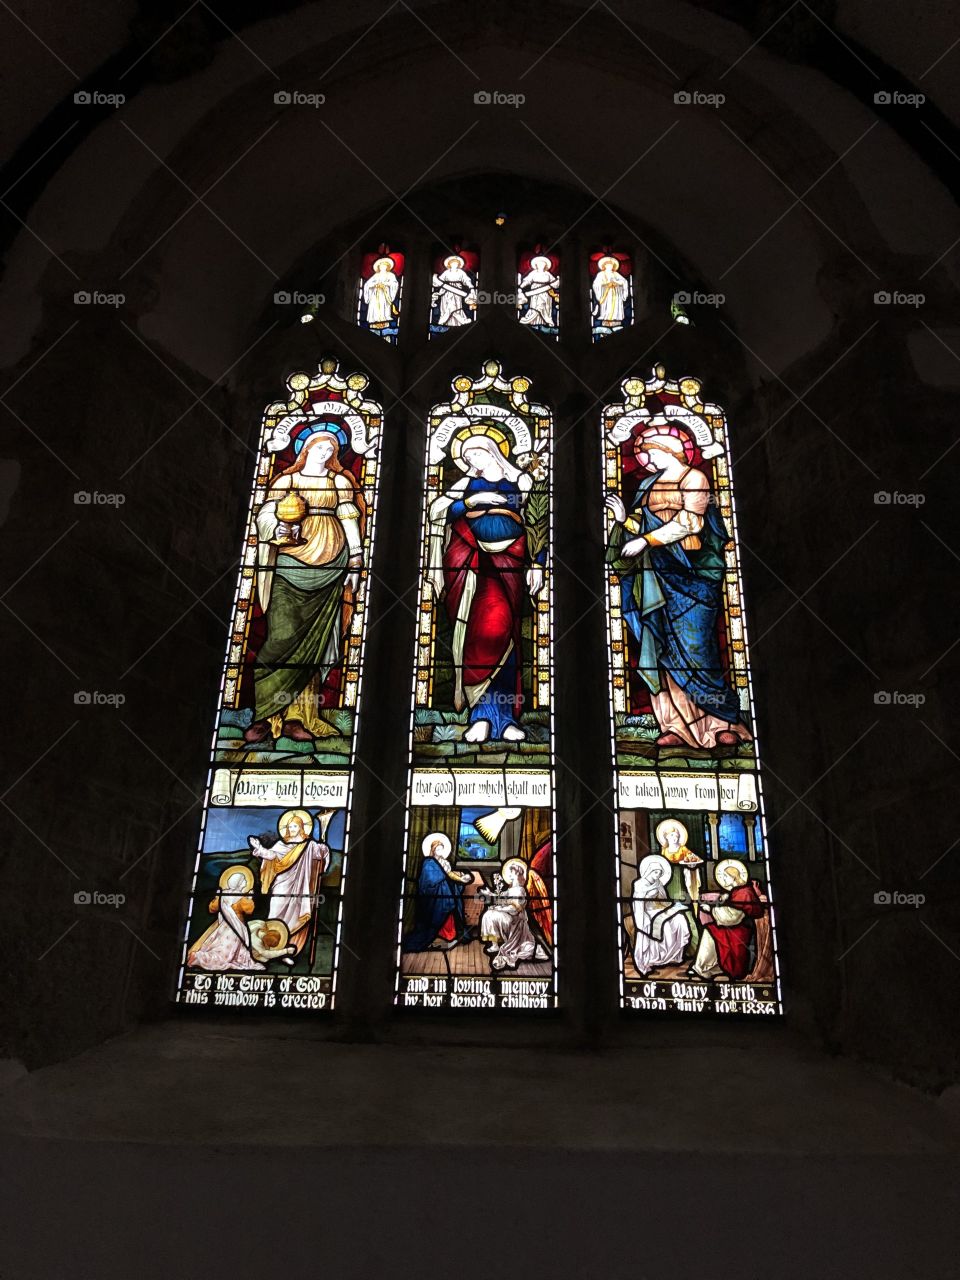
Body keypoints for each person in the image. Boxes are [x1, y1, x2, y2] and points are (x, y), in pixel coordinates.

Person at [606, 426, 752, 750]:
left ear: (669, 450)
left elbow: (691, 523)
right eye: (643, 454)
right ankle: (675, 725)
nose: (645, 459)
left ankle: (722, 722)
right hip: (655, 573)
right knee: (660, 645)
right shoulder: (647, 485)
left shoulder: (694, 479)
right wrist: (623, 521)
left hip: (692, 572)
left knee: (697, 647)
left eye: (651, 452)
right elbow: (642, 523)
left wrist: (645, 539)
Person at [245, 430, 365, 745]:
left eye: (331, 448)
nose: (325, 451)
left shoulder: (340, 483)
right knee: (281, 638)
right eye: (319, 446)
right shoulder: (287, 481)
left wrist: (355, 556)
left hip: (332, 564)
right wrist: (279, 528)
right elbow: (265, 515)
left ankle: (298, 718)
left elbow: (349, 517)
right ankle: (267, 717)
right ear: (306, 449)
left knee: (317, 643)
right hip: (290, 561)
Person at [426, 433, 546, 743]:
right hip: (471, 562)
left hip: (512, 560)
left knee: (503, 632)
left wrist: (538, 562)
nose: (472, 462)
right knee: (476, 634)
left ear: (491, 451)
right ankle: (480, 715)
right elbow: (438, 511)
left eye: (475, 455)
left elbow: (538, 521)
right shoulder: (468, 483)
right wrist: (472, 501)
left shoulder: (521, 479)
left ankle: (505, 719)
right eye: (466, 459)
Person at [249, 810, 331, 961]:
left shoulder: (310, 845)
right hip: (281, 884)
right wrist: (260, 849)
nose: (292, 830)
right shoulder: (281, 844)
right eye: (290, 827)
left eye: (295, 826)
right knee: (275, 911)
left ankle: (286, 950)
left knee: (295, 917)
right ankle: (270, 946)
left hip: (301, 887)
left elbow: (320, 857)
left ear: (301, 827)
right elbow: (271, 856)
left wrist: (323, 849)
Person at [689, 859, 765, 980]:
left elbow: (734, 916)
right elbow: (732, 905)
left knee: (710, 931)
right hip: (734, 927)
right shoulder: (737, 890)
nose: (723, 879)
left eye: (725, 876)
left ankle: (703, 967)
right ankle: (708, 966)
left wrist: (711, 910)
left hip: (740, 929)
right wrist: (724, 898)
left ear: (733, 877)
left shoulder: (744, 893)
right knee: (711, 930)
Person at [402, 833, 473, 952]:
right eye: (438, 849)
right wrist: (445, 877)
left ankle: (449, 935)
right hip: (433, 894)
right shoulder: (428, 863)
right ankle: (436, 935)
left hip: (445, 891)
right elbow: (428, 879)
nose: (441, 850)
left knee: (450, 906)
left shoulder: (445, 862)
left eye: (442, 848)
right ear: (433, 850)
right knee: (442, 907)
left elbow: (449, 874)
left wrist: (461, 879)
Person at [479, 858, 549, 971]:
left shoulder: (520, 891)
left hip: (515, 922)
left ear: (516, 874)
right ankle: (494, 944)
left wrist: (500, 909)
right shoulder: (510, 890)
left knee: (492, 914)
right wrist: (490, 894)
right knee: (488, 914)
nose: (508, 875)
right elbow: (501, 899)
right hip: (508, 917)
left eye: (510, 872)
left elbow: (515, 909)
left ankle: (515, 947)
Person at [187, 866, 262, 971]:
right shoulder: (242, 898)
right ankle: (199, 958)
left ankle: (199, 957)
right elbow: (249, 910)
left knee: (222, 948)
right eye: (243, 880)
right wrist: (250, 897)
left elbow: (212, 908)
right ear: (239, 883)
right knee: (226, 954)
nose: (245, 882)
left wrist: (218, 897)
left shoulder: (224, 896)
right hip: (235, 929)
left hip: (223, 927)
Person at [630, 854, 692, 976]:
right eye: (656, 872)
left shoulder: (658, 883)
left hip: (660, 909)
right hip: (646, 912)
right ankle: (655, 956)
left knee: (680, 919)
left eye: (660, 873)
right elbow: (638, 903)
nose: (658, 875)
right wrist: (648, 897)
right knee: (666, 926)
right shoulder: (639, 884)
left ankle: (674, 955)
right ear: (649, 871)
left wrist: (672, 905)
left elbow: (664, 900)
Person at [431, 254, 477, 327]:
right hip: (446, 292)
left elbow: (466, 280)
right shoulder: (446, 272)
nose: (454, 264)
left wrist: (471, 287)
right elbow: (439, 281)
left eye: (456, 263)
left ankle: (449, 321)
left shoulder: (460, 272)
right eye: (453, 263)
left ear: (458, 264)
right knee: (446, 307)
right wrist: (435, 281)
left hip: (457, 292)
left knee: (456, 307)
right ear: (449, 264)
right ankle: (448, 321)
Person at [518, 254, 559, 328]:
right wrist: (521, 286)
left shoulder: (548, 274)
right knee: (535, 307)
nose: (541, 265)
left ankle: (546, 321)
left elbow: (555, 283)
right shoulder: (533, 273)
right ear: (536, 265)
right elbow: (527, 280)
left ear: (545, 265)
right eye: (539, 264)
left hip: (546, 294)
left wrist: (557, 282)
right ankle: (533, 321)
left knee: (545, 307)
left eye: (543, 264)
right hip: (535, 292)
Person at [361, 256, 400, 330]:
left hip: (385, 295)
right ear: (379, 267)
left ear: (387, 267)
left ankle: (383, 321)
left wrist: (385, 285)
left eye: (385, 265)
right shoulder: (376, 275)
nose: (383, 267)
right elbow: (367, 285)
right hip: (375, 295)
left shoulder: (391, 275)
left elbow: (394, 284)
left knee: (383, 307)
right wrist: (374, 285)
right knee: (375, 307)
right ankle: (375, 321)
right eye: (381, 266)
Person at [592, 256, 629, 328]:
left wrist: (616, 283)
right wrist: (606, 284)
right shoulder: (601, 274)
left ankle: (616, 319)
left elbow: (624, 282)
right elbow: (596, 284)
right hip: (606, 293)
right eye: (608, 265)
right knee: (607, 306)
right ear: (604, 266)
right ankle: (606, 319)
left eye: (611, 265)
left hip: (616, 293)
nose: (610, 266)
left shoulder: (616, 274)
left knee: (615, 306)